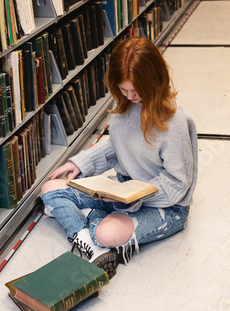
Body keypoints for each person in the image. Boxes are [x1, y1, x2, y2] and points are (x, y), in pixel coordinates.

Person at [40, 36, 198, 278]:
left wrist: (136, 196)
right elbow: (117, 145)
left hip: (166, 205)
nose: (130, 95)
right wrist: (81, 163)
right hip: (123, 193)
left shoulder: (173, 121)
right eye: (123, 89)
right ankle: (91, 245)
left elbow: (178, 183)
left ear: (154, 80)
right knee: (50, 189)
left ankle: (92, 229)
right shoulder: (125, 106)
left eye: (136, 90)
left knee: (107, 233)